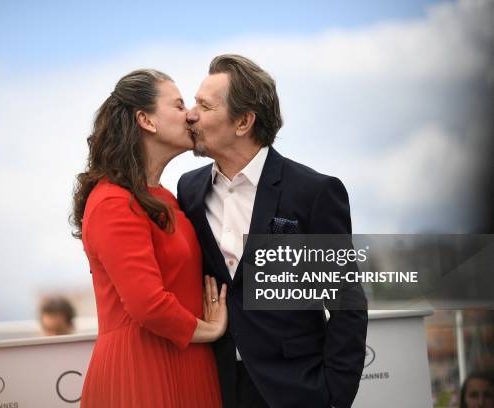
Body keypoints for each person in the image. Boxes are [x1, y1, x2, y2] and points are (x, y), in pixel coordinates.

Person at [177, 54, 368, 408]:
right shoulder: (188, 189)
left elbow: (347, 305)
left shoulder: (313, 192)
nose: (190, 114)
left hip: (296, 390)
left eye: (204, 105)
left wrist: (333, 396)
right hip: (215, 388)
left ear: (243, 121)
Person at [71, 69, 226, 407]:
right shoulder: (113, 200)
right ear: (145, 120)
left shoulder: (168, 197)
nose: (190, 115)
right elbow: (148, 304)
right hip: (141, 369)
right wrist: (210, 330)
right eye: (179, 104)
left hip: (187, 363)